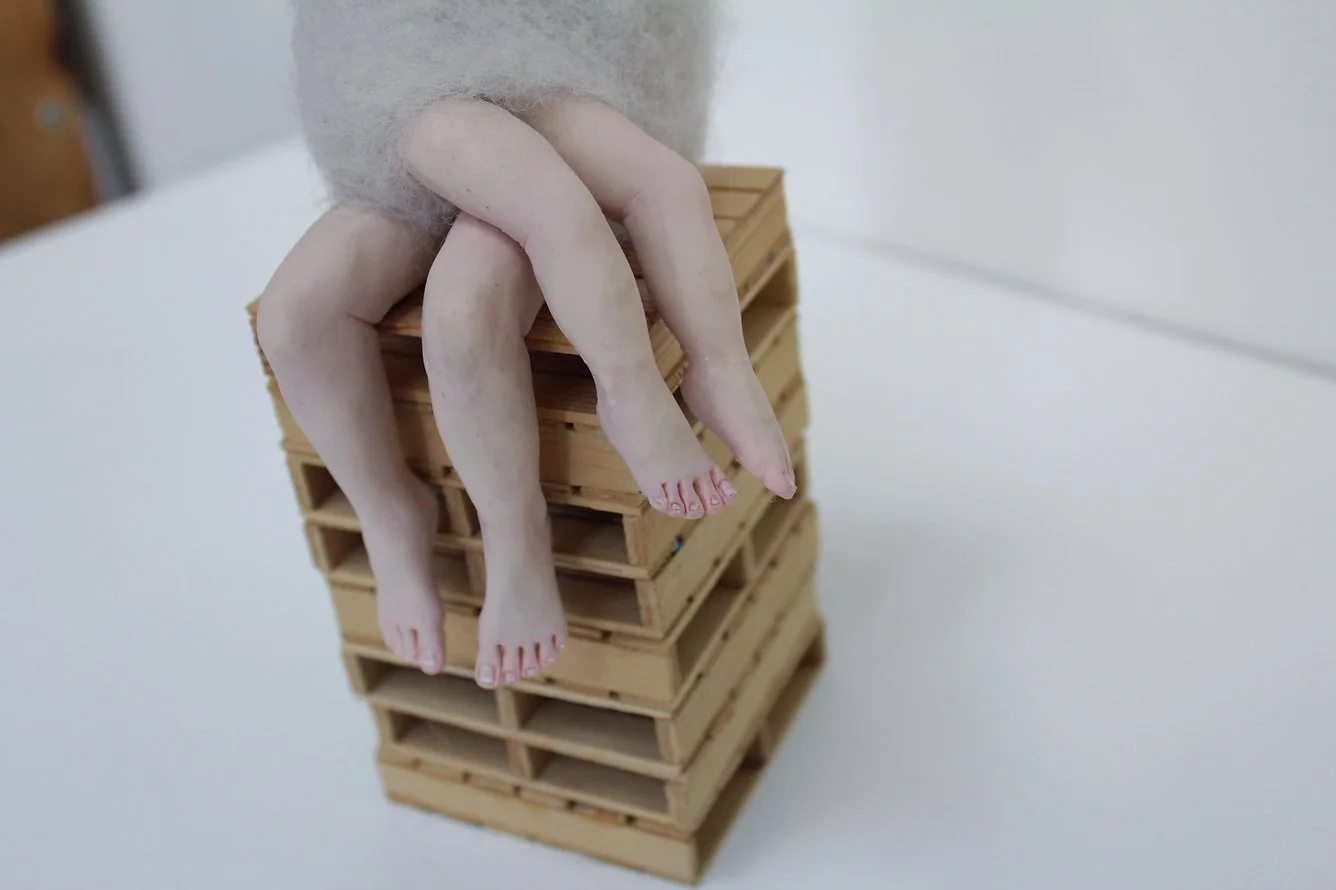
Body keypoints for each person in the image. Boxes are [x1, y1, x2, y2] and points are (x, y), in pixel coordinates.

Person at [257, 0, 795, 690]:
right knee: (295, 313)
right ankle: (391, 516)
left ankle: (665, 398)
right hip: (410, 86)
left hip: (555, 70)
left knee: (471, 307)